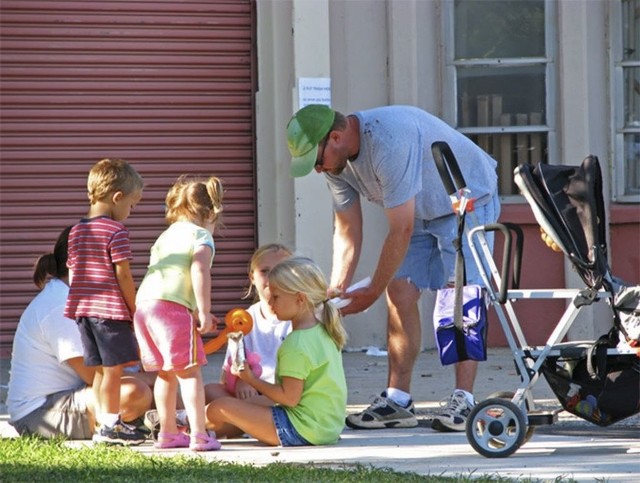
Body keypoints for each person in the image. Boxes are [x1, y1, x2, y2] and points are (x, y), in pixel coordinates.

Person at [286, 104, 500, 432]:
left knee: (459, 297)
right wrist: (336, 290)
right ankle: (398, 401)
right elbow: (346, 230)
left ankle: (464, 400)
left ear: (336, 137)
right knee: (398, 290)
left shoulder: (387, 140)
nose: (317, 170)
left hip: (466, 202)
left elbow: (400, 230)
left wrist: (370, 292)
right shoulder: (336, 167)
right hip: (418, 212)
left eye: (316, 160)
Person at [7, 227, 153, 440]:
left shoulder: (86, 300)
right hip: (39, 412)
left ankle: (157, 420)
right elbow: (94, 375)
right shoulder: (59, 304)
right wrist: (149, 379)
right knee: (135, 393)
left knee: (156, 387)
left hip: (77, 395)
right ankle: (131, 422)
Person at [205, 256, 348, 446]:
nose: (270, 302)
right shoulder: (323, 331)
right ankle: (205, 432)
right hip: (325, 427)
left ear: (300, 299)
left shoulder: (296, 344)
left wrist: (250, 379)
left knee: (221, 407)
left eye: (276, 297)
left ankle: (182, 424)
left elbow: (288, 398)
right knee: (249, 406)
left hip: (300, 429)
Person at [134, 175, 224, 451]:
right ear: (210, 212)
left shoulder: (165, 236)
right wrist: (205, 311)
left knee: (166, 373)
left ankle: (169, 433)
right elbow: (199, 270)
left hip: (145, 306)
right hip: (171, 310)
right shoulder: (201, 235)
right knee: (190, 373)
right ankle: (199, 434)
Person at [63, 158, 147, 445]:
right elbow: (123, 273)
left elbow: (73, 273)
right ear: (117, 197)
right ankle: (112, 424)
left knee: (99, 370)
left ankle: (102, 423)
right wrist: (134, 307)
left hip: (83, 312)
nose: (130, 212)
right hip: (109, 312)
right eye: (132, 205)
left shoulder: (75, 231)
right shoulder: (116, 231)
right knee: (114, 370)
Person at [204, 243, 293, 408]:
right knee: (209, 392)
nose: (272, 278)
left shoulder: (298, 318)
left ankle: (188, 422)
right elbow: (227, 376)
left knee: (226, 408)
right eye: (265, 271)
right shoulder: (243, 319)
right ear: (252, 276)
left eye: (281, 271)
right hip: (249, 394)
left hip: (284, 395)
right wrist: (240, 381)